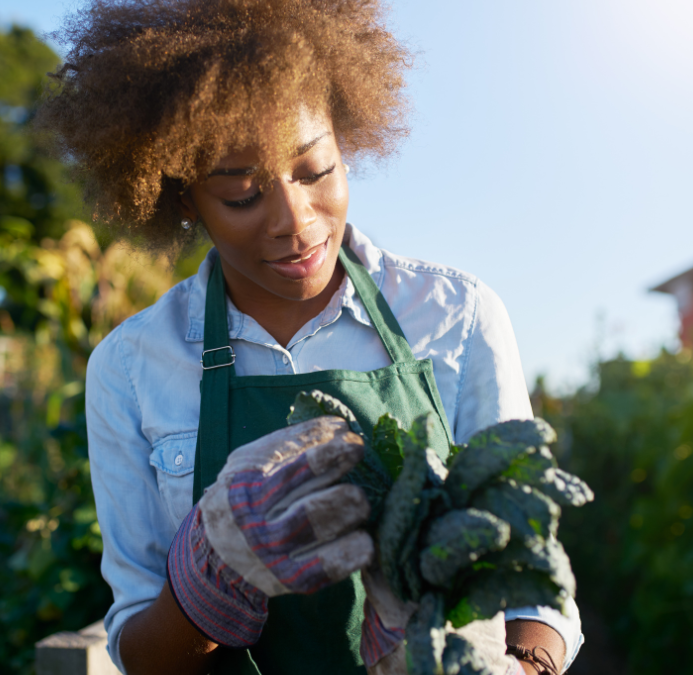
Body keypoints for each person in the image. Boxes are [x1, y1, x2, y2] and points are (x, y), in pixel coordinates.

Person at [40, 1, 584, 673]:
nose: (295, 223)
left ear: (345, 145)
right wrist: (205, 586)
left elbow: (533, 575)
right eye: (241, 194)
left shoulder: (457, 316)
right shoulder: (129, 367)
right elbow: (140, 651)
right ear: (184, 198)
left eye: (315, 170)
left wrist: (522, 666)